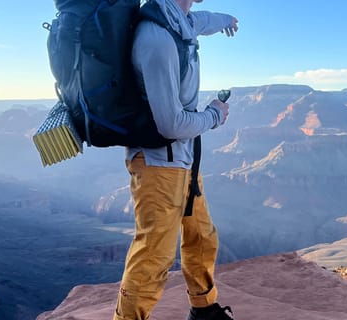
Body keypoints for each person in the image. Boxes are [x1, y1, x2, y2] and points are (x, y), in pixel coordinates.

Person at [114, 0, 238, 319]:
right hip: (159, 167)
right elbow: (171, 125)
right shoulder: (157, 39)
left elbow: (202, 20)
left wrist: (227, 19)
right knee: (153, 258)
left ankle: (204, 310)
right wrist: (214, 115)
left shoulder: (178, 21)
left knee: (201, 236)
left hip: (183, 162)